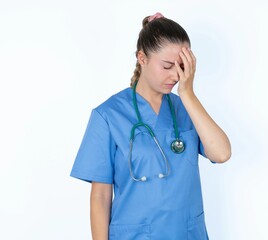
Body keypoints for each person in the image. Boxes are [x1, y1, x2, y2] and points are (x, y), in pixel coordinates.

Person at [70, 12, 231, 240]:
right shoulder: (108, 116)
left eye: (182, 66)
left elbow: (222, 153)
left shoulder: (187, 108)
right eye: (167, 66)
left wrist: (188, 93)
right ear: (142, 58)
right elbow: (100, 196)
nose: (176, 75)